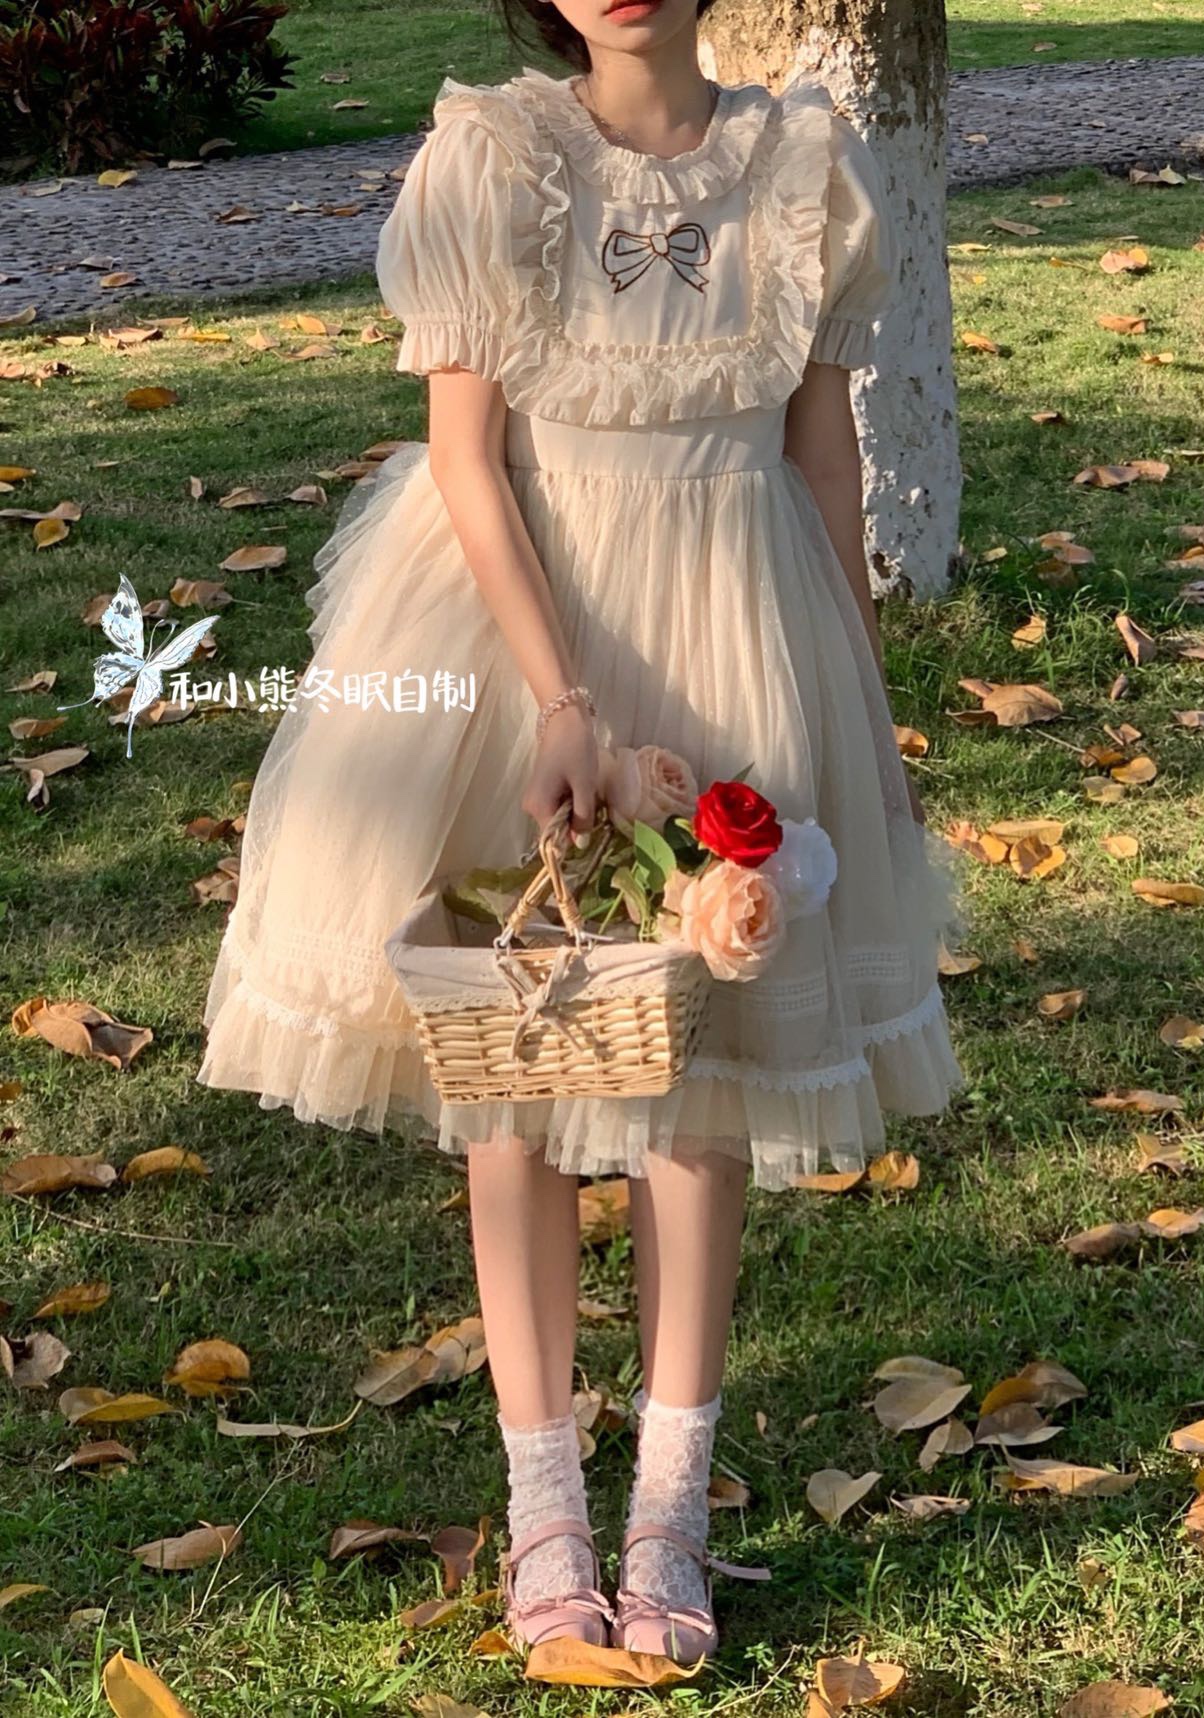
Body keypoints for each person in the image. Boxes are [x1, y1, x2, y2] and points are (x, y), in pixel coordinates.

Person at [195, 0, 965, 1666]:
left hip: (739, 628)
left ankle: (668, 1511)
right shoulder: (494, 157)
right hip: (521, 638)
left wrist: (861, 701)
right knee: (518, 1061)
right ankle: (546, 1507)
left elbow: (824, 467)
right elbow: (464, 458)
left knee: (706, 1075)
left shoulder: (803, 167)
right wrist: (561, 702)